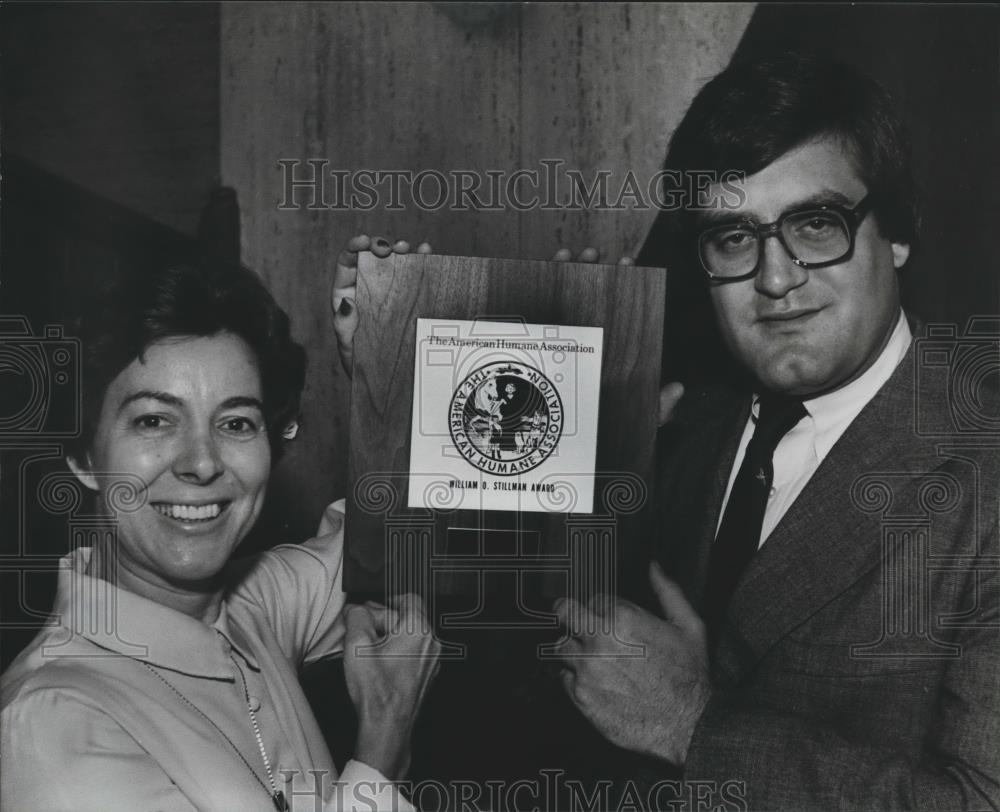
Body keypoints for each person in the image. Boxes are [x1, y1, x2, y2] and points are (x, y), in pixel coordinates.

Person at [550, 51, 1000, 809]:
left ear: (896, 234)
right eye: (733, 238)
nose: (775, 277)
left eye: (816, 224)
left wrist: (693, 727)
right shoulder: (673, 422)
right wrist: (413, 375)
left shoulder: (982, 478)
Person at [1, 261, 441, 811]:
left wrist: (385, 373)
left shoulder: (248, 608)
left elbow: (396, 525)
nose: (203, 463)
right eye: (154, 420)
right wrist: (383, 755)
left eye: (236, 423)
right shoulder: (56, 723)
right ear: (84, 456)